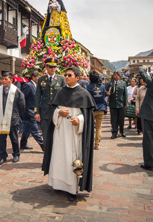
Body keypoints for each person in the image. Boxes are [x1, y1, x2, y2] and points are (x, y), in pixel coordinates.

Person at [42, 67, 96, 201]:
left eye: (69, 75)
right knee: (59, 158)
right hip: (60, 131)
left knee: (71, 158)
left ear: (77, 78)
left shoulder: (84, 94)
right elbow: (53, 111)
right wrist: (59, 113)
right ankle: (58, 184)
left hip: (74, 133)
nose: (66, 77)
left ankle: (72, 189)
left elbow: (88, 117)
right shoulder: (60, 92)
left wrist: (79, 119)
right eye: (65, 75)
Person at [0, 72, 25, 165]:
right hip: (1, 119)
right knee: (1, 140)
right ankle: (2, 156)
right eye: (2, 79)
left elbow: (22, 105)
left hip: (12, 119)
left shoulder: (16, 91)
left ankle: (16, 154)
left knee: (14, 139)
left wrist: (17, 116)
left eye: (6, 79)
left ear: (11, 80)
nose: (3, 81)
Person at [35, 57, 66, 140]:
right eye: (50, 67)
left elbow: (65, 95)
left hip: (58, 111)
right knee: (45, 135)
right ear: (46, 67)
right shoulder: (41, 79)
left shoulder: (61, 79)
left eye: (54, 67)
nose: (53, 69)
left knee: (57, 135)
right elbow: (37, 96)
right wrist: (37, 112)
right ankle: (46, 152)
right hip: (45, 112)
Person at [20, 71, 44, 151]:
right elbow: (23, 98)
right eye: (38, 77)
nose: (39, 79)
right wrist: (24, 110)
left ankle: (23, 144)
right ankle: (44, 146)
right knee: (35, 131)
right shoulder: (28, 85)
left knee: (26, 129)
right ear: (33, 77)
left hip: (33, 111)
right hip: (29, 112)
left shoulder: (36, 86)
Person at [87, 71, 106, 150]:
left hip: (91, 109)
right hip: (100, 108)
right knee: (98, 128)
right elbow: (104, 96)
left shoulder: (87, 86)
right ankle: (97, 144)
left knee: (89, 127)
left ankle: (89, 143)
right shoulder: (102, 86)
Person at [105, 70, 128, 139]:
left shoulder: (123, 83)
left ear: (119, 76)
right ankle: (114, 132)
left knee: (121, 118)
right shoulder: (109, 83)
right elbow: (105, 91)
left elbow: (125, 94)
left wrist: (126, 103)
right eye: (114, 75)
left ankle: (122, 131)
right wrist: (107, 93)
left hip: (121, 104)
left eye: (117, 75)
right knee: (113, 119)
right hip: (113, 104)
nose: (116, 76)